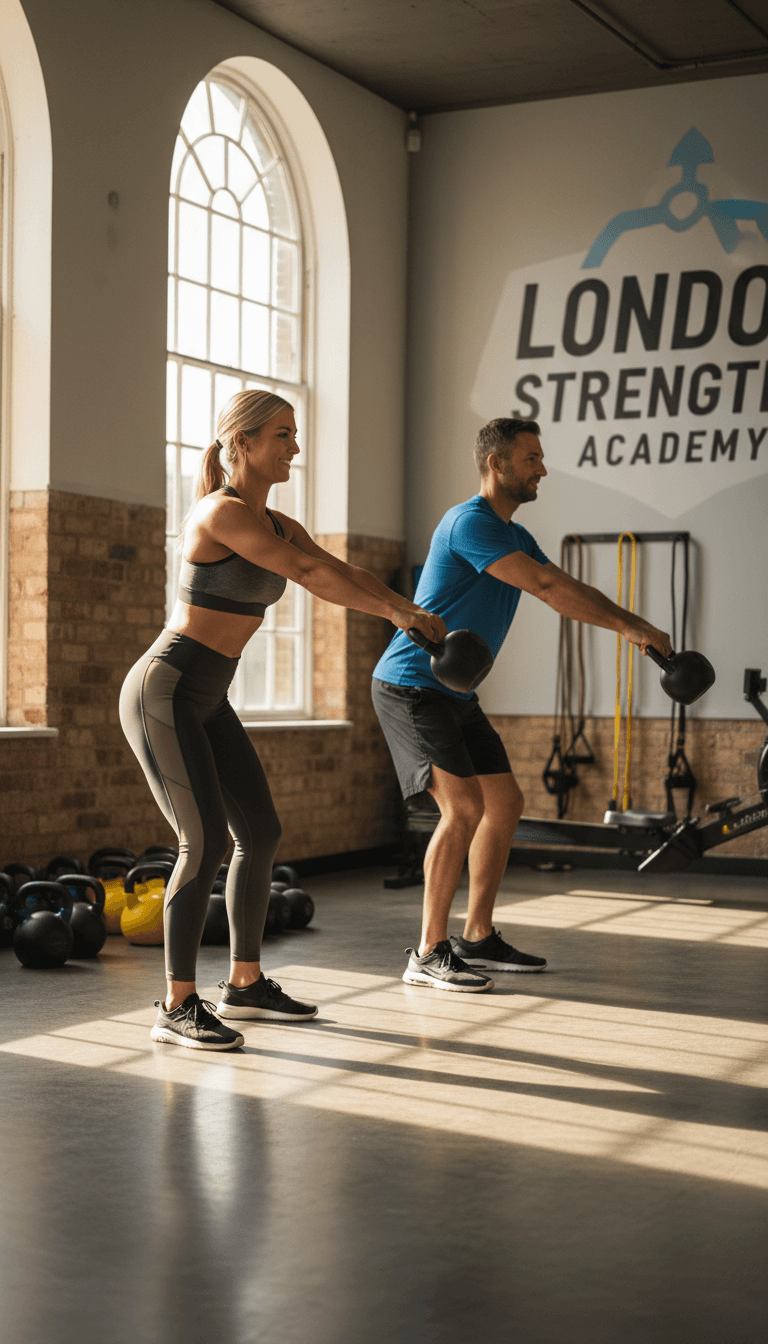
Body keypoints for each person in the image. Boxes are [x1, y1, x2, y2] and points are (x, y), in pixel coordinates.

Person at [119, 389, 447, 1050]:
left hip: (209, 695)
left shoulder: (277, 522)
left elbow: (332, 566)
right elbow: (304, 572)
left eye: (294, 434)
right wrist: (395, 615)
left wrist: (401, 607)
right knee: (204, 840)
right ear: (241, 442)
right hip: (168, 688)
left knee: (260, 831)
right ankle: (176, 1005)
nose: (294, 446)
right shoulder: (222, 513)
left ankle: (244, 983)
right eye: (281, 434)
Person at [372, 417, 673, 994]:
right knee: (461, 808)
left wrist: (631, 624)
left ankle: (477, 936)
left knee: (503, 802)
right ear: (497, 464)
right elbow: (544, 589)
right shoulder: (470, 523)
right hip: (411, 685)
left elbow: (561, 583)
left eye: (540, 458)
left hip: (453, 692)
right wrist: (631, 626)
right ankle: (429, 951)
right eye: (531, 458)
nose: (542, 468)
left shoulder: (512, 534)